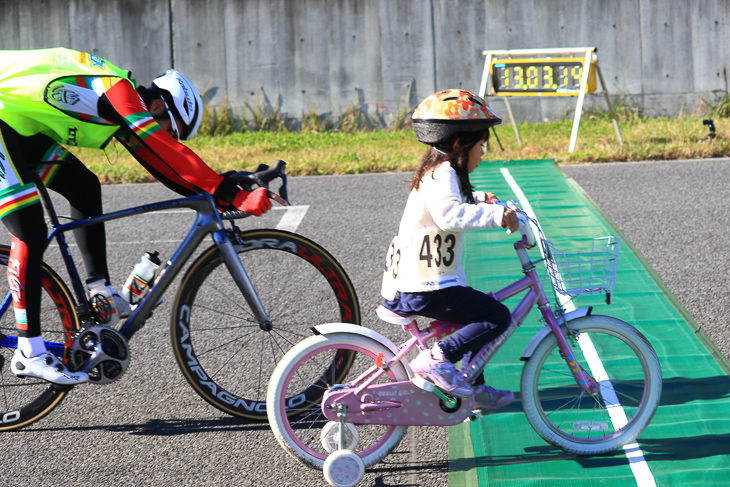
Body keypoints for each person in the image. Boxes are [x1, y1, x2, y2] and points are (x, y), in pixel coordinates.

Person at [0, 47, 272, 385]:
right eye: (172, 131)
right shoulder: (120, 93)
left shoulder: (119, 104)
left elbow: (163, 164)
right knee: (28, 229)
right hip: (5, 121)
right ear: (158, 105)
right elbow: (162, 149)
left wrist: (222, 184)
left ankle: (99, 290)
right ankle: (30, 351)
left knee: (84, 186)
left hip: (14, 123)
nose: (170, 139)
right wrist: (229, 193)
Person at [380, 89, 519, 409]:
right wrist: (497, 215)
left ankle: (474, 384)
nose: (483, 152)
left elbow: (447, 204)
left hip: (422, 281)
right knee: (495, 315)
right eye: (481, 144)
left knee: (473, 315)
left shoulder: (439, 171)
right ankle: (436, 361)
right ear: (461, 144)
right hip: (424, 286)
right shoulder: (443, 173)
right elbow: (450, 214)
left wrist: (482, 199)